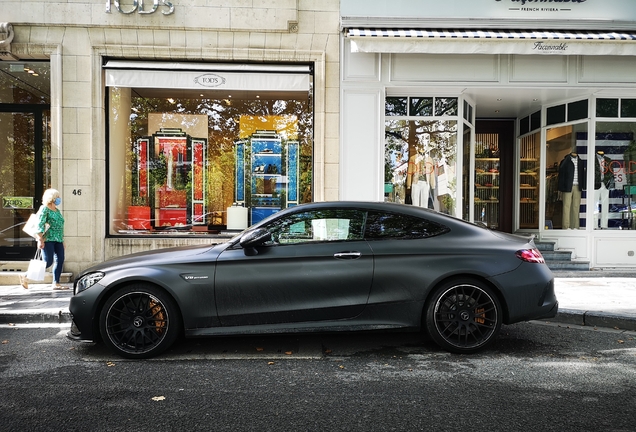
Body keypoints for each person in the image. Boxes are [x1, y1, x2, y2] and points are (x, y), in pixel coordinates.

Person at [20, 188, 68, 290]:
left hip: (58, 239)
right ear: (52, 198)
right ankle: (26, 276)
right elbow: (40, 224)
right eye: (57, 197)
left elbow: (60, 226)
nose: (59, 199)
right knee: (48, 262)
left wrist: (63, 240)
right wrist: (40, 239)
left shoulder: (57, 210)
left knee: (60, 260)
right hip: (48, 239)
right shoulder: (44, 209)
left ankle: (56, 283)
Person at [558, 152, 586, 229]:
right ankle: (566, 226)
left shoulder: (580, 162)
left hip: (577, 186)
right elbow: (561, 175)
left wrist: (583, 186)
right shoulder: (565, 161)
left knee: (576, 207)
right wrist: (561, 187)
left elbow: (583, 175)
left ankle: (575, 226)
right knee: (566, 206)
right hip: (567, 186)